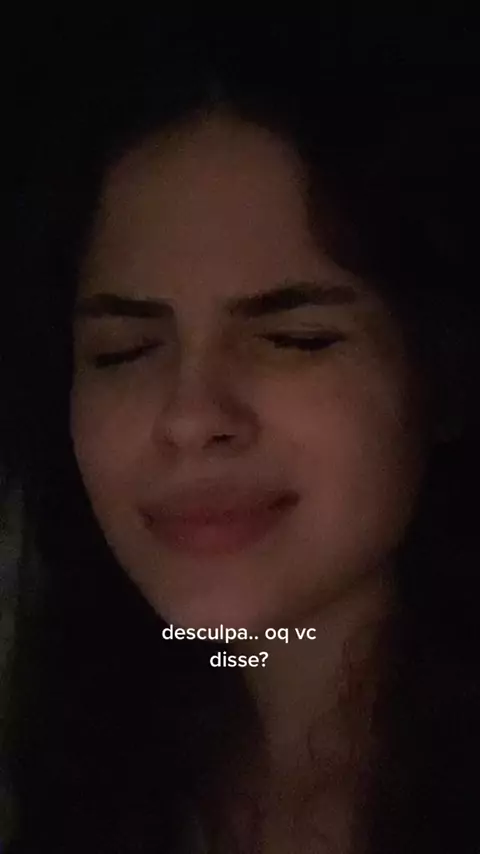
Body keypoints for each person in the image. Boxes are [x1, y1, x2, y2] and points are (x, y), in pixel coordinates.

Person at [3, 15, 480, 854]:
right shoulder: (74, 765)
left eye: (296, 340)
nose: (190, 418)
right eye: (123, 352)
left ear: (443, 372)